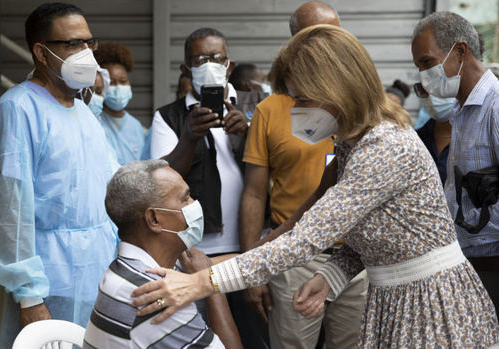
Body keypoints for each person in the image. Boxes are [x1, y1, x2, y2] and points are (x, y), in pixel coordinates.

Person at [131, 24, 499, 348]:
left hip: (429, 308)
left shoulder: (384, 148)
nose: (296, 110)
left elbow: (303, 240)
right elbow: (378, 239)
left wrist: (199, 284)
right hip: (398, 300)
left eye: (302, 100)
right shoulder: (352, 143)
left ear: (337, 89)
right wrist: (331, 275)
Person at [0, 3, 119, 348]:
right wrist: (30, 298)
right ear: (41, 52)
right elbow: (9, 213)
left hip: (95, 273)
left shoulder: (83, 112)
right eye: (72, 44)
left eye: (89, 42)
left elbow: (108, 190)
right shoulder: (17, 111)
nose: (86, 53)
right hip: (45, 283)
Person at [239, 2, 367, 348]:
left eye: (335, 37)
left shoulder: (362, 107)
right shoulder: (271, 108)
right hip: (295, 258)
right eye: (315, 38)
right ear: (294, 44)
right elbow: (254, 193)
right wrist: (254, 267)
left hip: (354, 257)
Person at [149, 27, 256, 347]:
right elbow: (161, 181)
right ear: (185, 69)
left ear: (230, 66)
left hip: (250, 246)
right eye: (200, 60)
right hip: (197, 253)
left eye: (217, 58)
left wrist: (249, 134)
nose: (210, 65)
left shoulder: (256, 107)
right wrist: (190, 138)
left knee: (253, 333)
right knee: (208, 336)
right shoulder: (168, 117)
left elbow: (275, 168)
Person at [83, 160, 242, 348]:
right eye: (185, 198)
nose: (194, 204)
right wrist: (212, 287)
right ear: (154, 219)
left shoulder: (129, 270)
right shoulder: (155, 295)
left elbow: (241, 263)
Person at [412, 11, 499, 310]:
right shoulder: (460, 113)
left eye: (427, 63)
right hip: (466, 264)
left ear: (460, 51)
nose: (424, 75)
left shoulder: (495, 107)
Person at [94, 41, 148, 165]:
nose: (118, 87)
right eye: (112, 83)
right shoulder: (96, 122)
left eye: (123, 81)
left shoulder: (137, 127)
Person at [413, 83, 456, 184]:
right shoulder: (414, 140)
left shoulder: (475, 138)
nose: (431, 98)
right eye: (424, 90)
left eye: (439, 91)